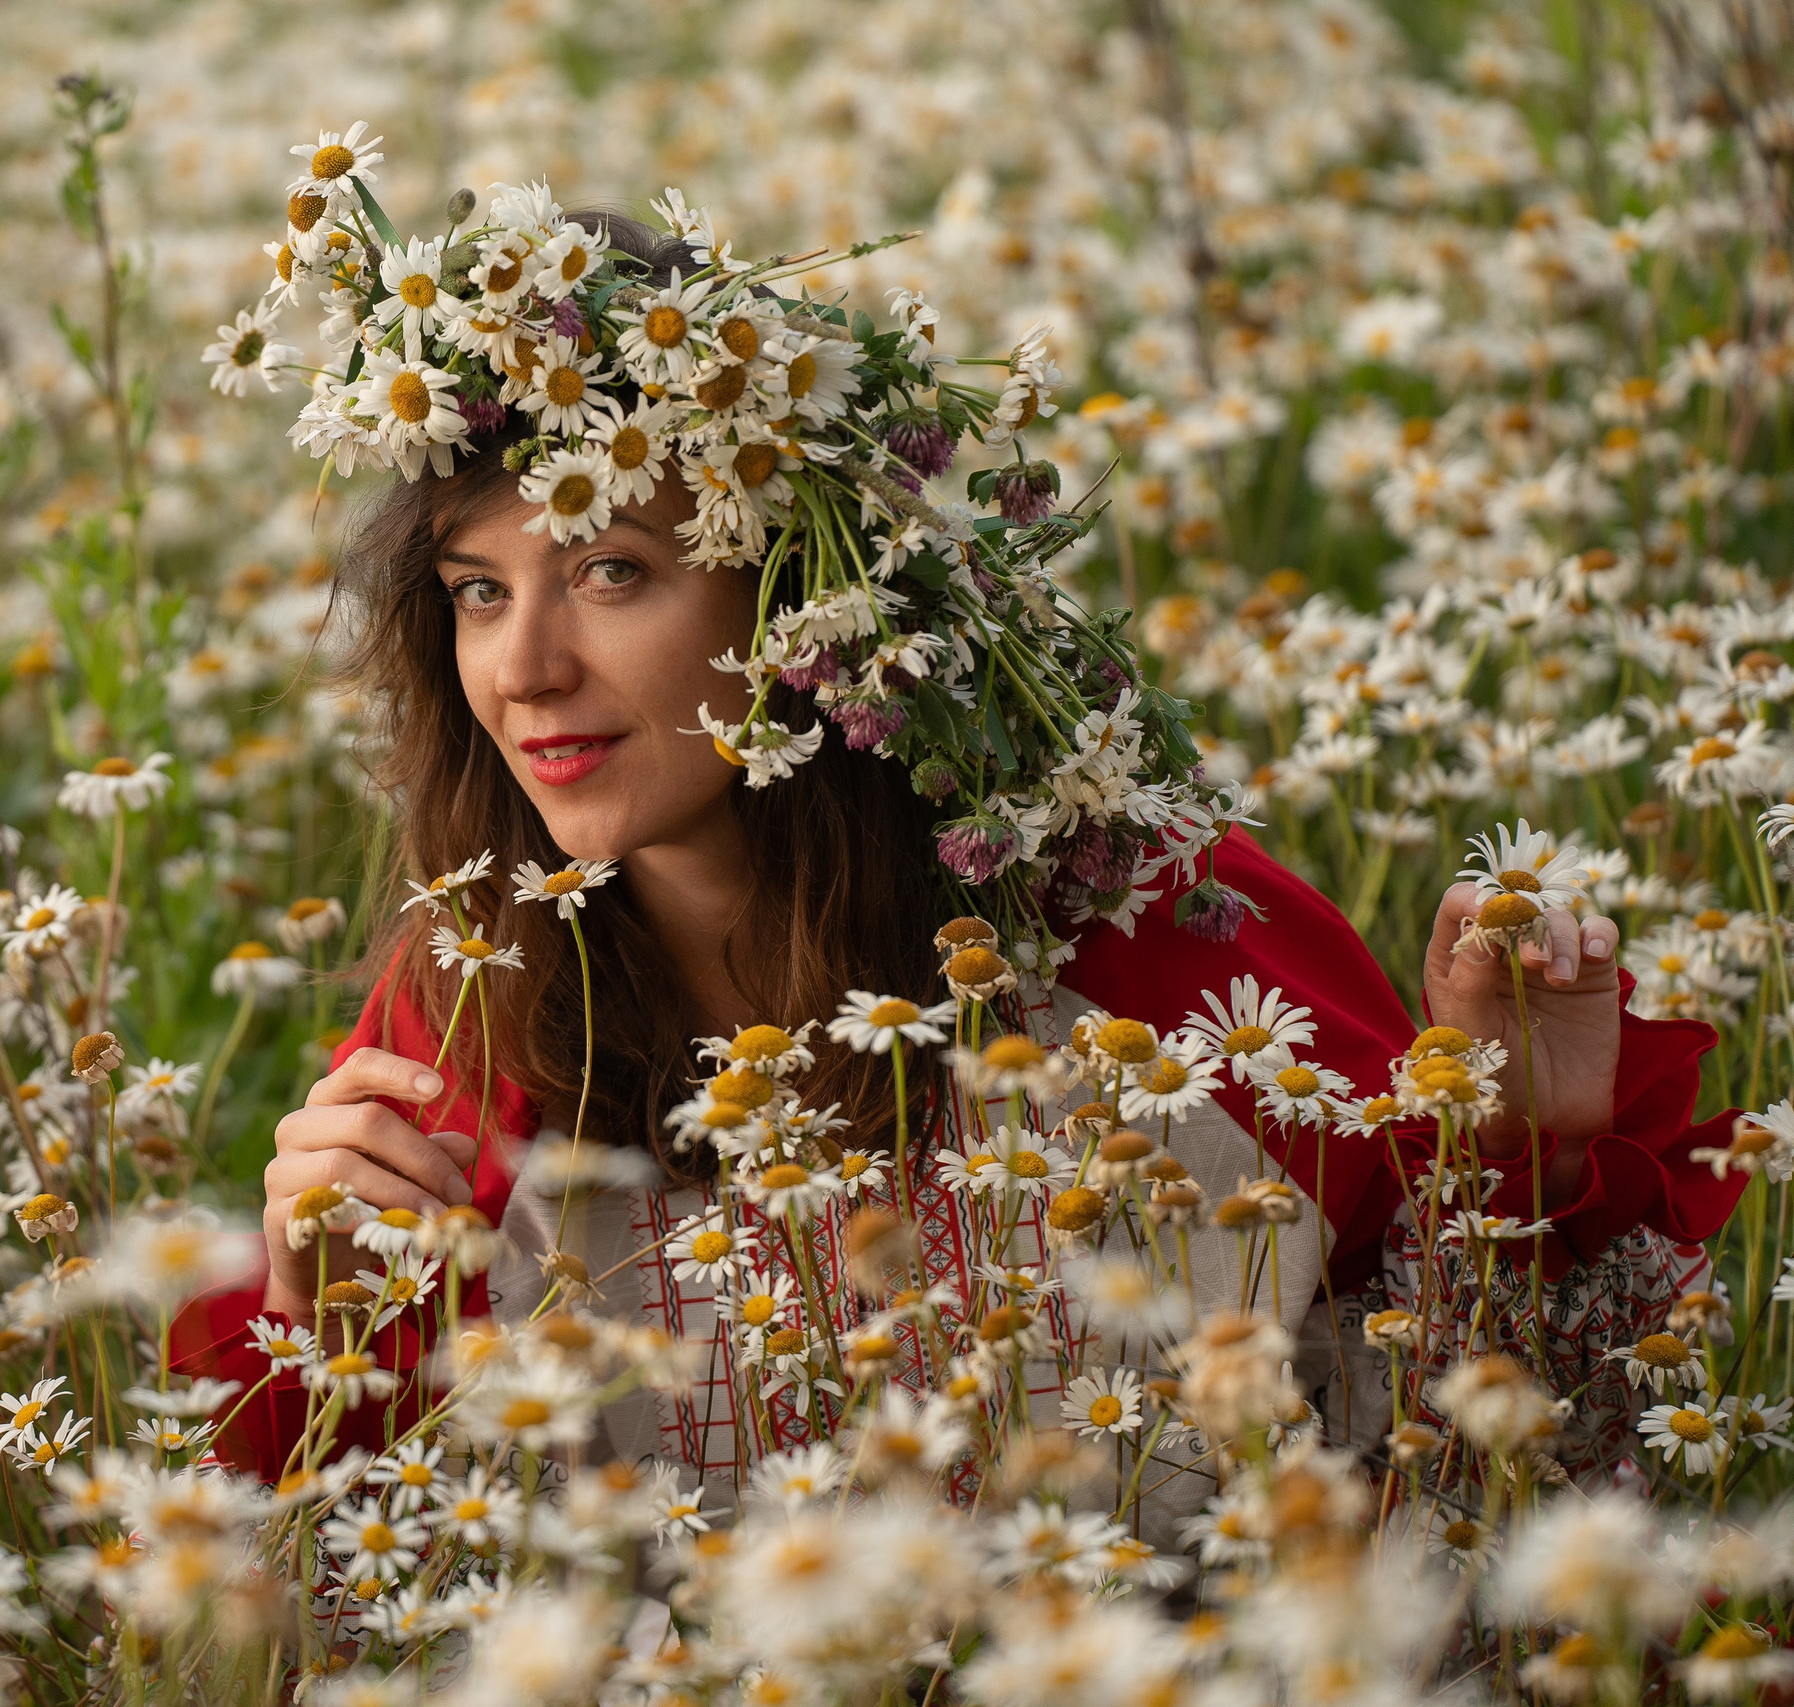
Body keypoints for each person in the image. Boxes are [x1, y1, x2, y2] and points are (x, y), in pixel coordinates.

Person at [171, 216, 1742, 1518]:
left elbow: (1509, 1475)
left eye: (610, 570)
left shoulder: (1158, 953)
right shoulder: (473, 1000)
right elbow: (359, 1571)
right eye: (472, 592)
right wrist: (326, 1323)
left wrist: (1523, 1155)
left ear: (803, 591)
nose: (523, 670)